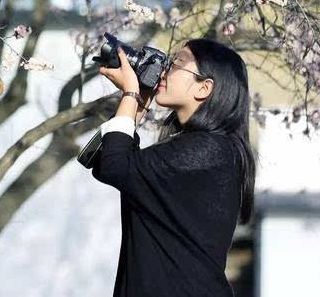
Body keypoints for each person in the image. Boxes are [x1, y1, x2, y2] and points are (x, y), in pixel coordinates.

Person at [91, 38, 256, 297]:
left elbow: (115, 165)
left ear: (204, 87)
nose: (164, 70)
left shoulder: (211, 149)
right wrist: (137, 104)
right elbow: (107, 163)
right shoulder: (207, 149)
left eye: (177, 63)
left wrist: (131, 94)